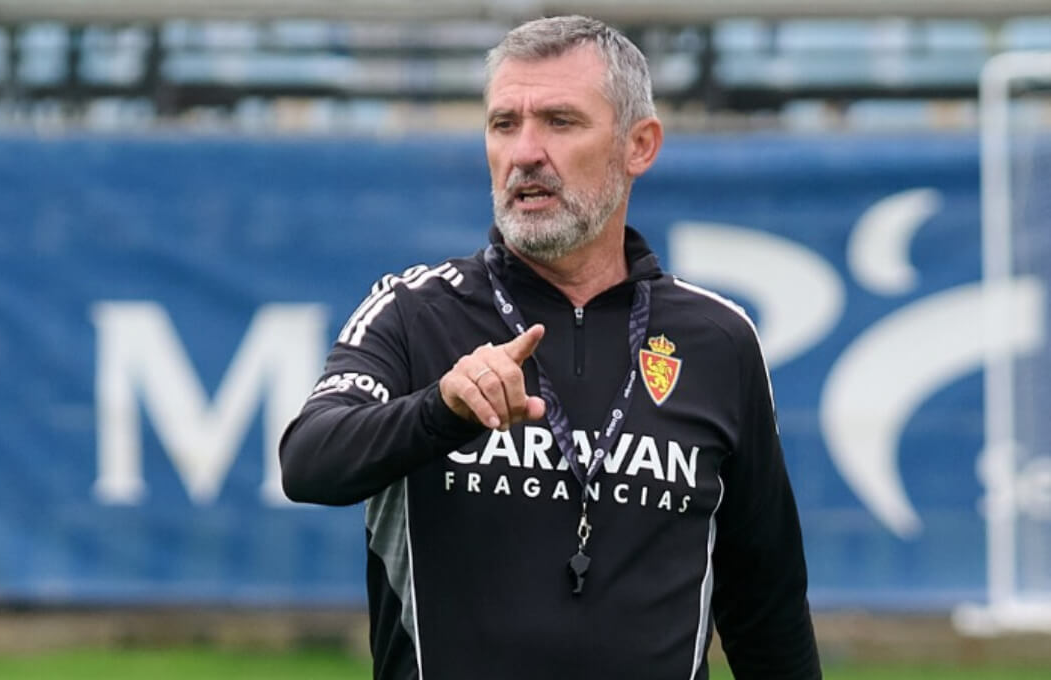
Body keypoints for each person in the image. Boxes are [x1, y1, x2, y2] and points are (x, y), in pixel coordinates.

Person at [280, 15, 821, 680]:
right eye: (505, 123)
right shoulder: (415, 312)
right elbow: (308, 462)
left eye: (560, 122)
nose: (525, 152)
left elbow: (766, 610)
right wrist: (440, 411)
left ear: (639, 145)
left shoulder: (719, 339)